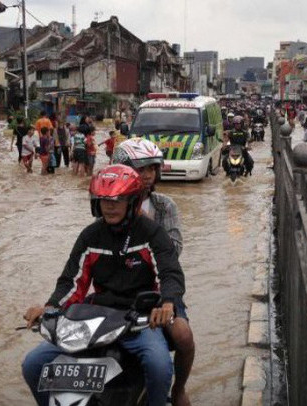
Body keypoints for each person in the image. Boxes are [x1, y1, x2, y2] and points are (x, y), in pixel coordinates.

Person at [22, 164, 186, 406]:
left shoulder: (152, 233)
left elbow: (170, 272)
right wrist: (49, 307)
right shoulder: (89, 236)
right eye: (104, 199)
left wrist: (167, 302)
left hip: (139, 319)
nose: (109, 206)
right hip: (97, 319)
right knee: (33, 364)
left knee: (159, 366)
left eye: (118, 199)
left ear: (132, 201)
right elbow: (72, 281)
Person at [112, 139, 194, 406]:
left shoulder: (164, 206)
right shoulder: (110, 203)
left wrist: (144, 225)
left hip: (160, 288)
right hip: (120, 289)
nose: (147, 174)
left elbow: (176, 249)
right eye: (140, 168)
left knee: (183, 335)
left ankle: (179, 389)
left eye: (151, 168)